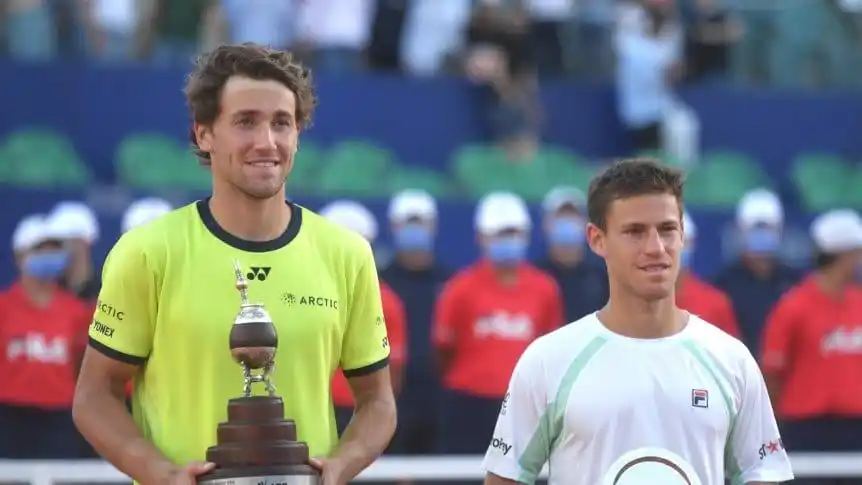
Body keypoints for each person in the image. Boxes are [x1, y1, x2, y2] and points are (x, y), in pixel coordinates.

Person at [72, 44, 397, 485]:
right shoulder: (147, 252)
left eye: (281, 123)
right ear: (204, 134)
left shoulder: (347, 253)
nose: (267, 142)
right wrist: (162, 474)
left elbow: (378, 402)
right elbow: (94, 396)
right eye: (246, 122)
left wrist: (342, 465)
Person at [482, 159, 793, 485]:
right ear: (597, 239)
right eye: (635, 232)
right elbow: (505, 478)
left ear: (682, 234)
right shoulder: (548, 361)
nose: (656, 248)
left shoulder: (732, 361)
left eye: (667, 229)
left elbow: (762, 473)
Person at [433, 191, 562, 457]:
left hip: (525, 405)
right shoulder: (459, 288)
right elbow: (443, 348)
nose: (508, 241)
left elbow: (552, 351)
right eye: (500, 234)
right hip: (468, 404)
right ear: (481, 237)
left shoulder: (545, 288)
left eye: (513, 233)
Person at [761, 209, 862, 483]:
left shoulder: (859, 303)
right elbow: (772, 373)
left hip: (856, 428)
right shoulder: (794, 306)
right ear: (843, 256)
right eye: (857, 253)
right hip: (806, 429)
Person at [0, 214, 91, 459]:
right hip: (9, 416)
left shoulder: (76, 311)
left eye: (54, 250)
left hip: (59, 417)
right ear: (20, 256)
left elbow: (83, 364)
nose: (49, 256)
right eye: (40, 250)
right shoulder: (4, 308)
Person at [318, 200, 408, 435]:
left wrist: (377, 413)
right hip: (312, 408)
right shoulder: (300, 294)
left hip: (360, 409)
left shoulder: (386, 300)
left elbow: (394, 368)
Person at [379, 189, 451, 456]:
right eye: (407, 224)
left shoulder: (450, 282)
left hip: (436, 396)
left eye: (420, 223)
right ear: (394, 227)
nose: (414, 231)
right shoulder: (379, 281)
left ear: (433, 227)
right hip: (388, 393)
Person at [713, 189, 801, 353]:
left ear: (780, 231)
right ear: (740, 232)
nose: (761, 235)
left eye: (768, 229)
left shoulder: (796, 285)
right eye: (755, 229)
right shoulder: (722, 285)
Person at [535, 186, 608, 322]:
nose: (567, 222)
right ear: (545, 224)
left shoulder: (602, 274)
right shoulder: (536, 274)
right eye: (561, 216)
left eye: (573, 216)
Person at [676, 210, 741, 338]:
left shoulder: (715, 304)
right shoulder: (637, 304)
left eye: (683, 241)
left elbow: (731, 349)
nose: (677, 247)